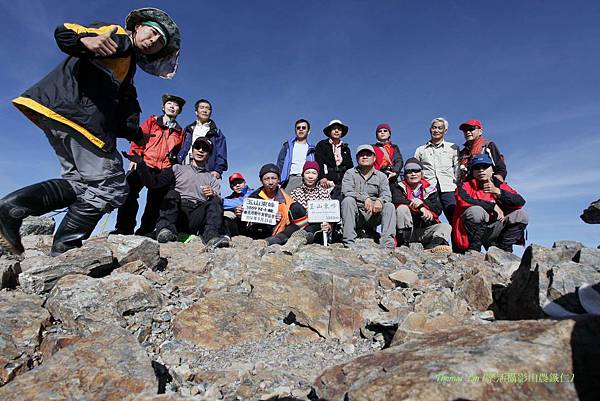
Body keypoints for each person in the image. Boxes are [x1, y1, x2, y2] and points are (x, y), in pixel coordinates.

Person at [0, 8, 180, 256]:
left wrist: (136, 135)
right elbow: (67, 31)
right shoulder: (117, 37)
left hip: (61, 116)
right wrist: (84, 40)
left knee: (82, 184)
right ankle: (63, 246)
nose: (153, 42)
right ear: (138, 27)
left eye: (159, 43)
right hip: (78, 118)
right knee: (111, 186)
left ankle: (13, 213)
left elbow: (121, 111)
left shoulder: (126, 65)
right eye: (152, 33)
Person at [124, 137, 229, 247]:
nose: (200, 150)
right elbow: (153, 183)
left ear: (209, 154)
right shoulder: (177, 168)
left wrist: (213, 194)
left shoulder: (212, 178)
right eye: (197, 147)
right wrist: (141, 163)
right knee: (172, 194)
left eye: (205, 149)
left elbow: (217, 202)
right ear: (192, 151)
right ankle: (166, 231)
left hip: (197, 216)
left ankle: (212, 237)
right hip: (176, 213)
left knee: (216, 200)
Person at [113, 93, 185, 235]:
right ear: (163, 107)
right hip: (143, 162)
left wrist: (172, 169)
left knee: (155, 201)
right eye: (169, 103)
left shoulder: (180, 132)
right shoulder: (152, 121)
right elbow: (139, 137)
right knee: (129, 192)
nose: (172, 106)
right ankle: (124, 228)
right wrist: (135, 157)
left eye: (176, 105)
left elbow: (178, 152)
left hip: (163, 168)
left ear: (179, 111)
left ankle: (145, 230)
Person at [452, 154, 527, 253]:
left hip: (494, 230)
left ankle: (504, 250)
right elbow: (463, 201)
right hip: (471, 232)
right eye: (477, 168)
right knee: (475, 211)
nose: (481, 170)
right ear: (472, 172)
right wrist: (492, 206)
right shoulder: (464, 185)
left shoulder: (499, 185)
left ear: (492, 169)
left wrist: (498, 192)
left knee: (521, 214)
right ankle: (474, 251)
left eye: (485, 166)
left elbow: (520, 201)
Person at [341, 145, 396, 248]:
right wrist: (365, 198)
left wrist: (380, 200)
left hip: (374, 215)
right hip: (357, 215)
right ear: (357, 158)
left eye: (368, 154)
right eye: (362, 155)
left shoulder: (382, 176)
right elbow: (347, 191)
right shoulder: (350, 173)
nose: (365, 157)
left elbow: (387, 195)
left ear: (374, 158)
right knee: (347, 201)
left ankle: (387, 244)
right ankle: (349, 242)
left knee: (389, 206)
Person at [392, 158, 452, 252]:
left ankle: (432, 247)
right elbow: (396, 200)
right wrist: (420, 207)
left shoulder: (430, 189)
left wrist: (423, 204)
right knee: (402, 208)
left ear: (422, 173)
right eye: (409, 171)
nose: (413, 174)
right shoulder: (398, 187)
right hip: (406, 230)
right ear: (405, 174)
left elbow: (437, 209)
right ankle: (404, 244)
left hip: (424, 230)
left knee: (446, 227)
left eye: (416, 171)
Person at [244, 164, 308, 245]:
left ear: (278, 180)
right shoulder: (253, 197)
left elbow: (290, 221)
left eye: (273, 178)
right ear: (261, 181)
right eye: (267, 179)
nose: (270, 182)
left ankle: (278, 239)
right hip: (261, 232)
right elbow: (249, 221)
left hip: (281, 231)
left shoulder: (287, 198)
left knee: (295, 226)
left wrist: (280, 219)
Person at [414, 117, 459, 222]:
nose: (436, 130)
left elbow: (457, 169)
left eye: (440, 128)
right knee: (428, 218)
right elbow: (415, 169)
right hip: (429, 189)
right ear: (430, 129)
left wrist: (457, 185)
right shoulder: (421, 150)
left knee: (455, 218)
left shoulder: (452, 148)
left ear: (445, 130)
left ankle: (457, 239)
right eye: (434, 128)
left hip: (449, 188)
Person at [177, 99, 228, 180]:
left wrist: (218, 170)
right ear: (196, 112)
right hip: (186, 166)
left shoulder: (216, 132)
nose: (205, 110)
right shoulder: (188, 129)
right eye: (202, 107)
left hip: (207, 169)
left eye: (208, 108)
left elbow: (221, 154)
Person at [289, 161, 334, 244]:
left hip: (318, 226)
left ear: (317, 176)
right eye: (307, 173)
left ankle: (303, 238)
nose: (310, 176)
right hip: (299, 225)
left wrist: (328, 225)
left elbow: (331, 213)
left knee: (314, 229)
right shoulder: (295, 192)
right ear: (303, 175)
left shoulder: (324, 192)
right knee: (295, 207)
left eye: (314, 173)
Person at [314, 119, 353, 200]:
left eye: (339, 129)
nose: (336, 131)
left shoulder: (346, 148)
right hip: (327, 182)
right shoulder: (322, 145)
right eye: (334, 129)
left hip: (343, 182)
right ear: (329, 131)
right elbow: (319, 162)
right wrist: (322, 177)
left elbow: (350, 166)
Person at [276, 119, 316, 192]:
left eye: (303, 128)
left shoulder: (312, 149)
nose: (301, 129)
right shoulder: (287, 146)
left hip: (307, 180)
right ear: (295, 131)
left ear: (308, 131)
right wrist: (278, 181)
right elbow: (280, 163)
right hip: (290, 180)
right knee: (287, 202)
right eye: (298, 128)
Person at [223, 172, 252, 237]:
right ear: (231, 187)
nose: (237, 185)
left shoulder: (254, 193)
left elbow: (243, 202)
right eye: (234, 184)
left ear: (244, 182)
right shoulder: (229, 198)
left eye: (239, 182)